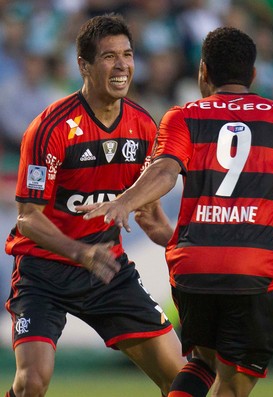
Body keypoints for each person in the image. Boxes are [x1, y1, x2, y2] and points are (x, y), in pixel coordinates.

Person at [76, 26, 273, 397]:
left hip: (194, 270)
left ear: (203, 72)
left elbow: (164, 171)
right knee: (235, 385)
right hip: (253, 271)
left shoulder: (183, 116)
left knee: (202, 365)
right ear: (253, 75)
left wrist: (125, 200)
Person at [4, 13, 186, 397]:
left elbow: (149, 215)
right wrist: (80, 252)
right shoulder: (50, 128)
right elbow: (27, 218)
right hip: (44, 272)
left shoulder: (143, 127)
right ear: (83, 65)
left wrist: (185, 249)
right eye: (109, 56)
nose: (122, 65)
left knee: (181, 379)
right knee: (31, 383)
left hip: (108, 272)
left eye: (128, 54)